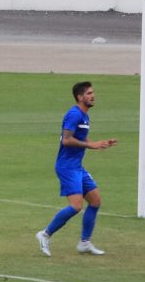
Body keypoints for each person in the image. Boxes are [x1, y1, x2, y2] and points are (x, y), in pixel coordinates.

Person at [35, 81, 117, 257]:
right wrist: (91, 145)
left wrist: (99, 143)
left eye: (93, 92)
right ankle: (45, 234)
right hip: (67, 167)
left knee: (95, 201)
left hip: (77, 167)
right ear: (80, 97)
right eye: (89, 93)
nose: (93, 96)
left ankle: (84, 243)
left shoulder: (85, 116)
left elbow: (84, 140)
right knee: (76, 206)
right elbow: (66, 140)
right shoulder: (74, 114)